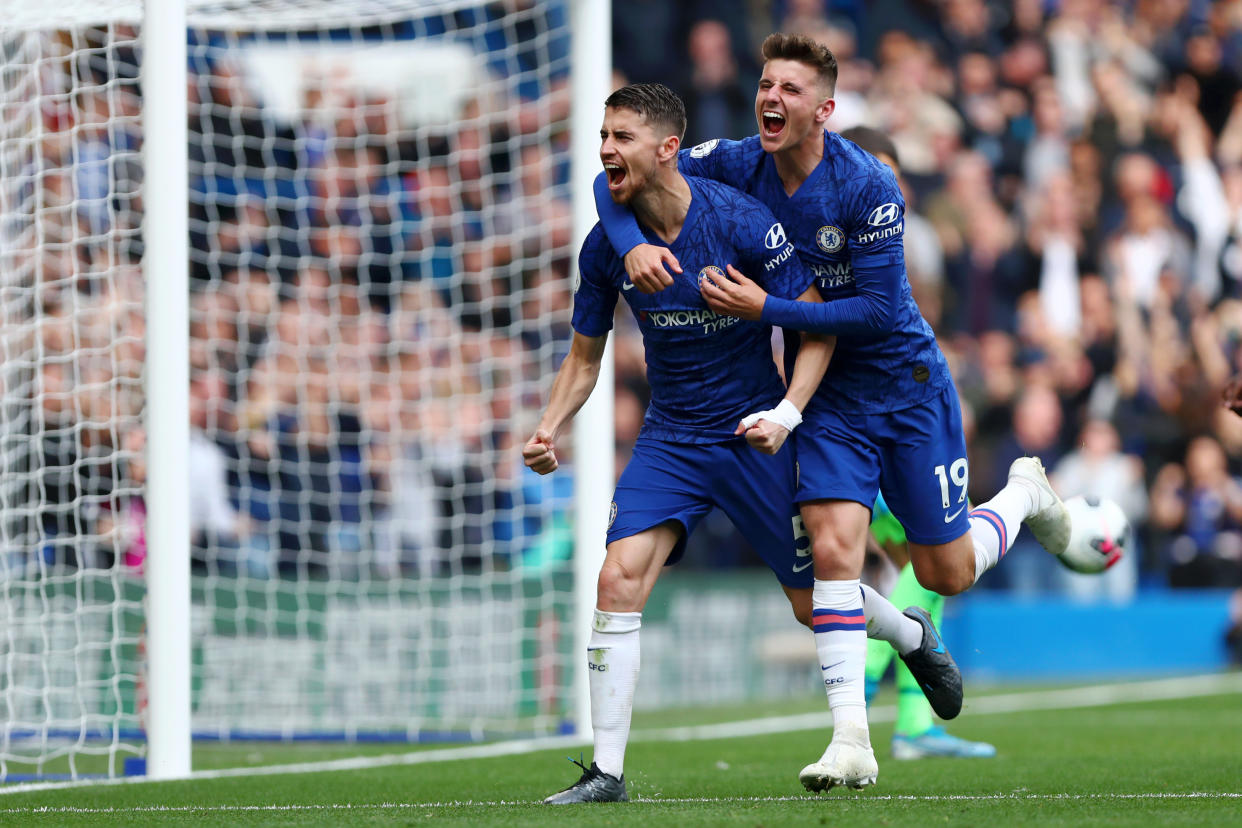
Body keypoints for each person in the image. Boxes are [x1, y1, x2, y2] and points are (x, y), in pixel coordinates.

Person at [592, 34, 1080, 792]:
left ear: (824, 110)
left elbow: (882, 311)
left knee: (943, 572)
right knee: (833, 546)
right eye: (765, 85)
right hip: (827, 396)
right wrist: (626, 245)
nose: (769, 99)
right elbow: (624, 173)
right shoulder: (737, 159)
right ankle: (853, 737)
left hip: (905, 385)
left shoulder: (867, 185)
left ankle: (1023, 495)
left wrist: (766, 307)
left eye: (789, 90)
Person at [525, 83, 955, 805]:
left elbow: (815, 327)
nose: (606, 149)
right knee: (617, 577)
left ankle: (910, 637)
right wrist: (549, 426)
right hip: (672, 438)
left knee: (812, 601)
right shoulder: (606, 248)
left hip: (751, 434)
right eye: (603, 135)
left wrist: (786, 413)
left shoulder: (742, 223)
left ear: (668, 149)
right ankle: (607, 772)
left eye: (622, 136)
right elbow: (584, 356)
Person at [840, 125, 995, 760]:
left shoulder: (893, 245)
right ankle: (896, 712)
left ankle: (907, 723)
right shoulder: (823, 244)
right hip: (856, 429)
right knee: (921, 569)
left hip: (899, 421)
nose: (882, 186)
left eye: (891, 176)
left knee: (922, 572)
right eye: (872, 170)